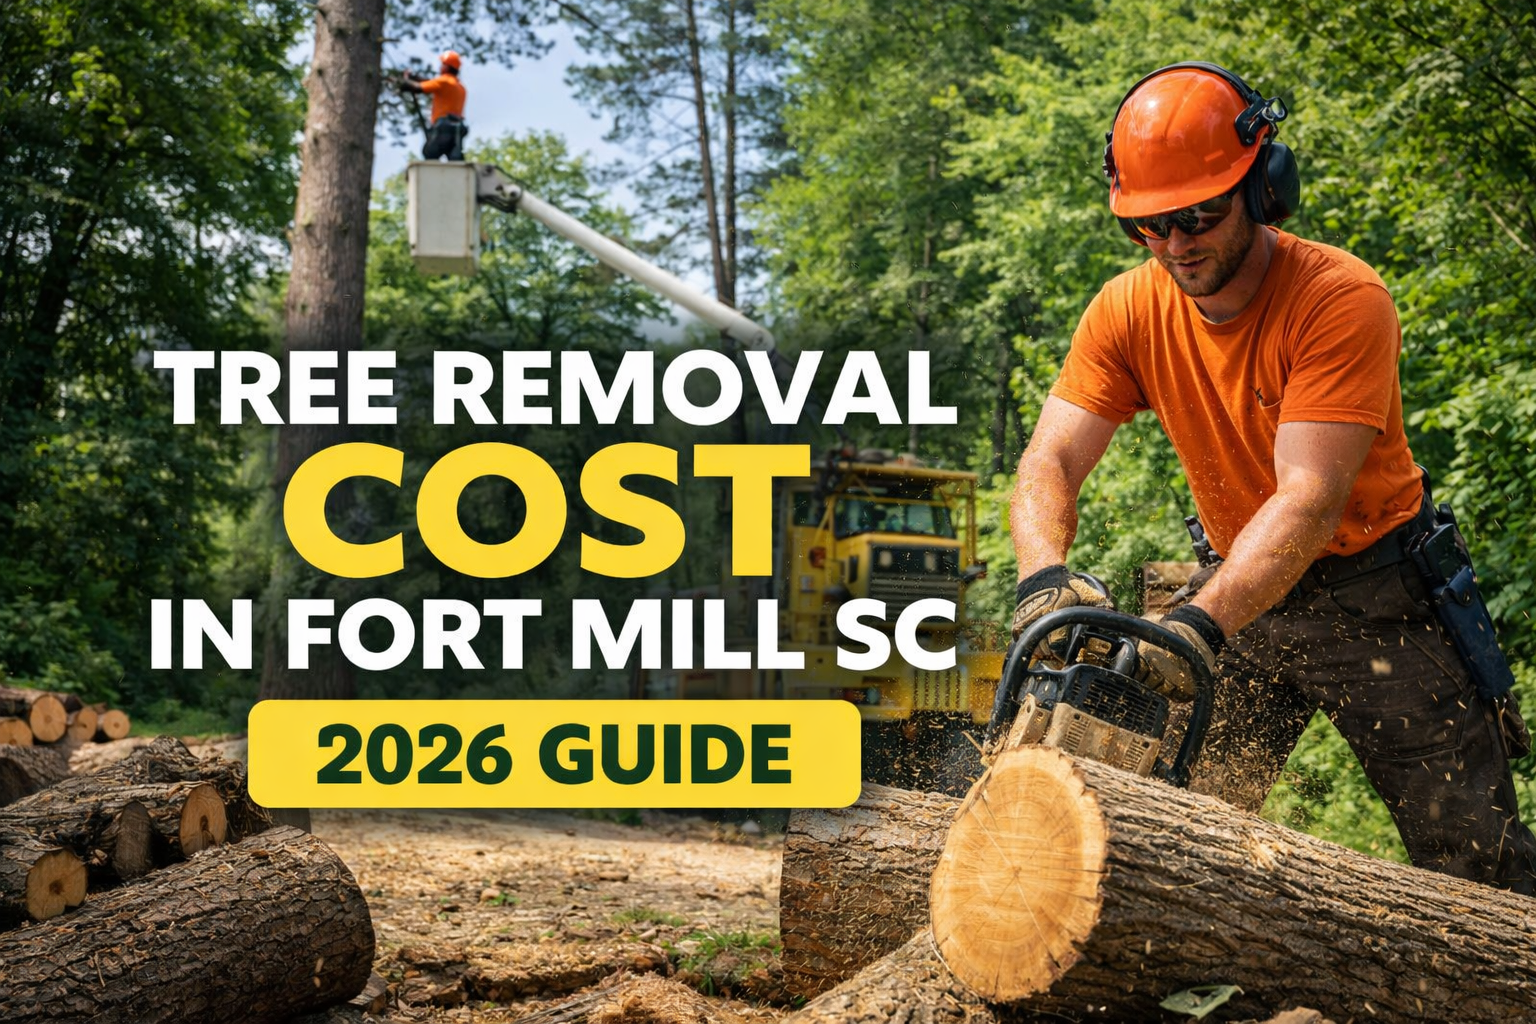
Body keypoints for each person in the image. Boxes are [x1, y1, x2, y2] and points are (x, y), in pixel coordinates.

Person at [1008, 61, 1536, 893]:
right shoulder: (1126, 309)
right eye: (1150, 226)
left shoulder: (1338, 298)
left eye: (1198, 216)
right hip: (1236, 586)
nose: (1176, 245)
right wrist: (1043, 577)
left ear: (1263, 188)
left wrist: (1196, 625)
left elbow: (1309, 500)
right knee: (1158, 826)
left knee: (1476, 855)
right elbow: (1051, 459)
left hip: (1373, 596)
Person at [400, 51, 467, 161]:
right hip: (458, 129)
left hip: (443, 127)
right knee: (455, 160)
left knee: (430, 153)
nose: (440, 67)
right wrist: (416, 78)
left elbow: (418, 87)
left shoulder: (443, 81)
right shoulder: (460, 87)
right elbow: (430, 83)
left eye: (442, 65)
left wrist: (406, 82)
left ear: (446, 67)